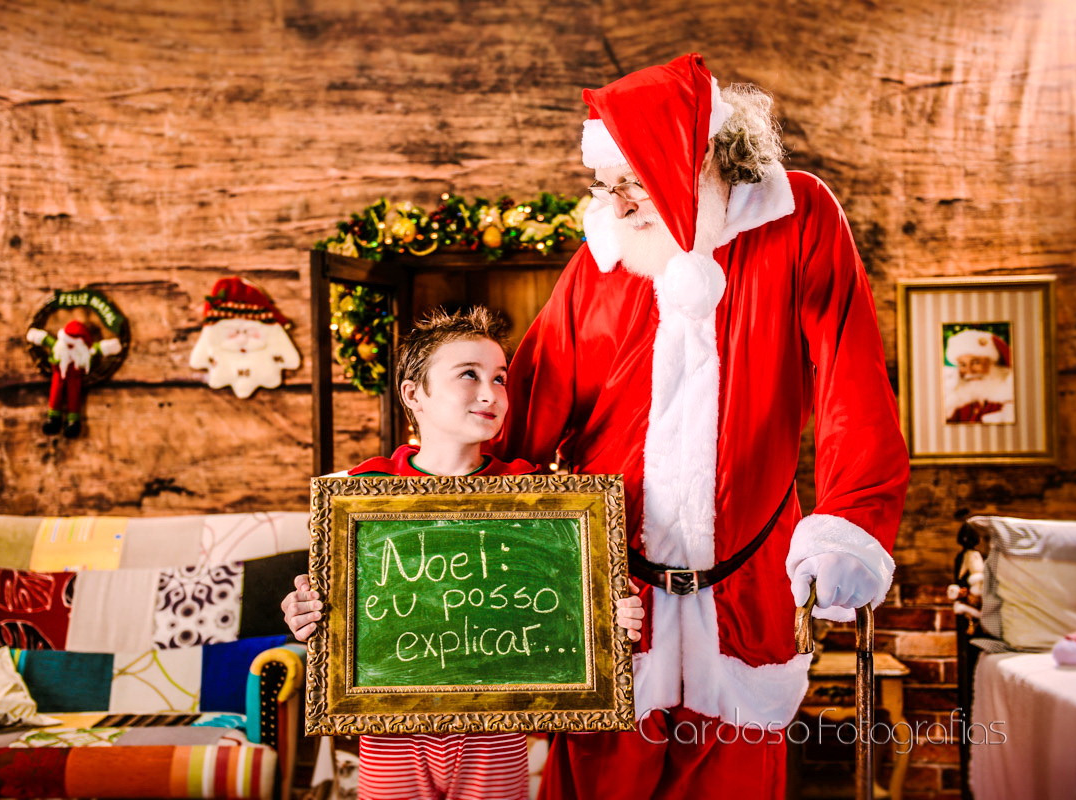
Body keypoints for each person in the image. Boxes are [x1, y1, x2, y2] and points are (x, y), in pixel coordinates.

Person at [491, 54, 910, 799]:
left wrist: (851, 519)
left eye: (632, 180)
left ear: (698, 160)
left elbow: (852, 380)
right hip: (615, 603)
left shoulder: (798, 218)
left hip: (746, 596)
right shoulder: (601, 262)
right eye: (604, 184)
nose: (615, 204)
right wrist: (420, 521)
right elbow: (518, 417)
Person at [282, 306, 645, 800]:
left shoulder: (537, 497)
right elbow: (336, 609)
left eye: (499, 378)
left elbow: (572, 612)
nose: (491, 393)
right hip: (391, 731)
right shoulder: (360, 492)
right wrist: (306, 613)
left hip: (495, 732)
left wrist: (610, 616)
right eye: (468, 374)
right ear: (414, 394)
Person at [943, 328, 1014, 423]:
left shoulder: (1009, 399)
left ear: (992, 364)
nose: (969, 371)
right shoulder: (955, 404)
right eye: (963, 365)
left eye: (976, 362)